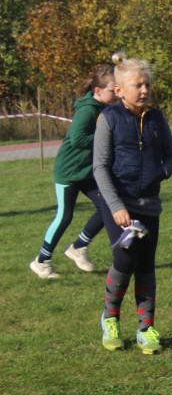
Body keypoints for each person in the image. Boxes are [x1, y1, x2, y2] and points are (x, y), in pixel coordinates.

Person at [93, 53, 172, 354]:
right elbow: (100, 167)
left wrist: (162, 171)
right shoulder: (109, 119)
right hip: (118, 203)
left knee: (145, 263)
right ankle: (110, 318)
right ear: (119, 91)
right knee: (126, 258)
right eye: (137, 86)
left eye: (147, 85)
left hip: (149, 203)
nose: (144, 90)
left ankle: (146, 329)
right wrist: (116, 205)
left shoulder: (157, 118)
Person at [29, 65, 119, 279]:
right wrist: (106, 140)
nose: (116, 94)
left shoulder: (107, 109)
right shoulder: (88, 110)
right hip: (69, 172)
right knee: (64, 216)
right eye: (112, 90)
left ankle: (78, 247)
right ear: (98, 91)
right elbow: (78, 139)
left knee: (107, 206)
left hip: (88, 172)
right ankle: (41, 261)